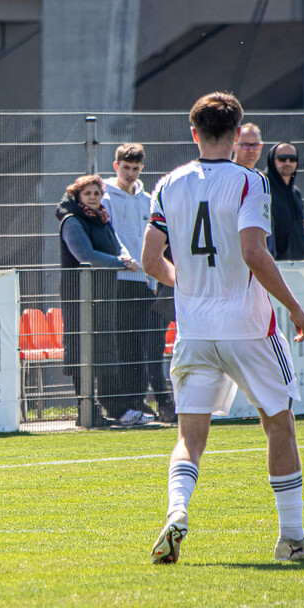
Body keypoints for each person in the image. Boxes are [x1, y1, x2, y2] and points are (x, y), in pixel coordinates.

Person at [142, 91, 304, 564]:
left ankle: (176, 512)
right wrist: (295, 308)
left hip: (193, 329)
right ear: (235, 137)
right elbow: (254, 252)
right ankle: (291, 539)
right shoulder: (250, 182)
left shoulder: (168, 183)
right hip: (248, 326)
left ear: (194, 133)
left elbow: (151, 259)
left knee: (190, 435)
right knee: (279, 423)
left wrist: (184, 283)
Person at [56, 174, 150, 426]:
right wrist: (121, 264)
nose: (93, 198)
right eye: (88, 194)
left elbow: (116, 244)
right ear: (78, 197)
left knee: (107, 349)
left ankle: (116, 409)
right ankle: (87, 410)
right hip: (80, 296)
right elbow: (85, 255)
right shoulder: (72, 221)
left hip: (104, 294)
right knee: (81, 350)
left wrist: (126, 257)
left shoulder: (102, 218)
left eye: (97, 193)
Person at [102, 143, 175, 423]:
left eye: (135, 168)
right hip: (121, 278)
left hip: (147, 280)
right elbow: (111, 233)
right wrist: (125, 257)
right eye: (125, 167)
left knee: (149, 345)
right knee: (125, 344)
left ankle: (146, 401)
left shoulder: (148, 199)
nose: (130, 173)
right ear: (115, 166)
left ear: (141, 168)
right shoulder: (106, 197)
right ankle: (131, 402)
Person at [265, 142, 304, 261]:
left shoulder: (295, 193)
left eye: (292, 159)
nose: (287, 163)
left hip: (299, 264)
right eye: (282, 159)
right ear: (272, 160)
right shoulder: (264, 190)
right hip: (274, 263)